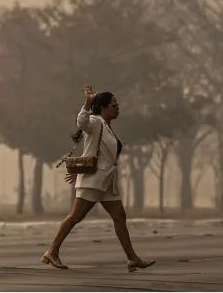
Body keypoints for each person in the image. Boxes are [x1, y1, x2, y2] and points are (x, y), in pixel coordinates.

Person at [42, 84, 155, 272]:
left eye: (117, 105)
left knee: (120, 217)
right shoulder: (95, 122)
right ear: (103, 107)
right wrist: (87, 102)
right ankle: (52, 251)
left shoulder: (108, 128)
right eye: (113, 105)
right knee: (75, 217)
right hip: (94, 180)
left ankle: (133, 259)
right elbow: (81, 122)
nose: (117, 108)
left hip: (107, 182)